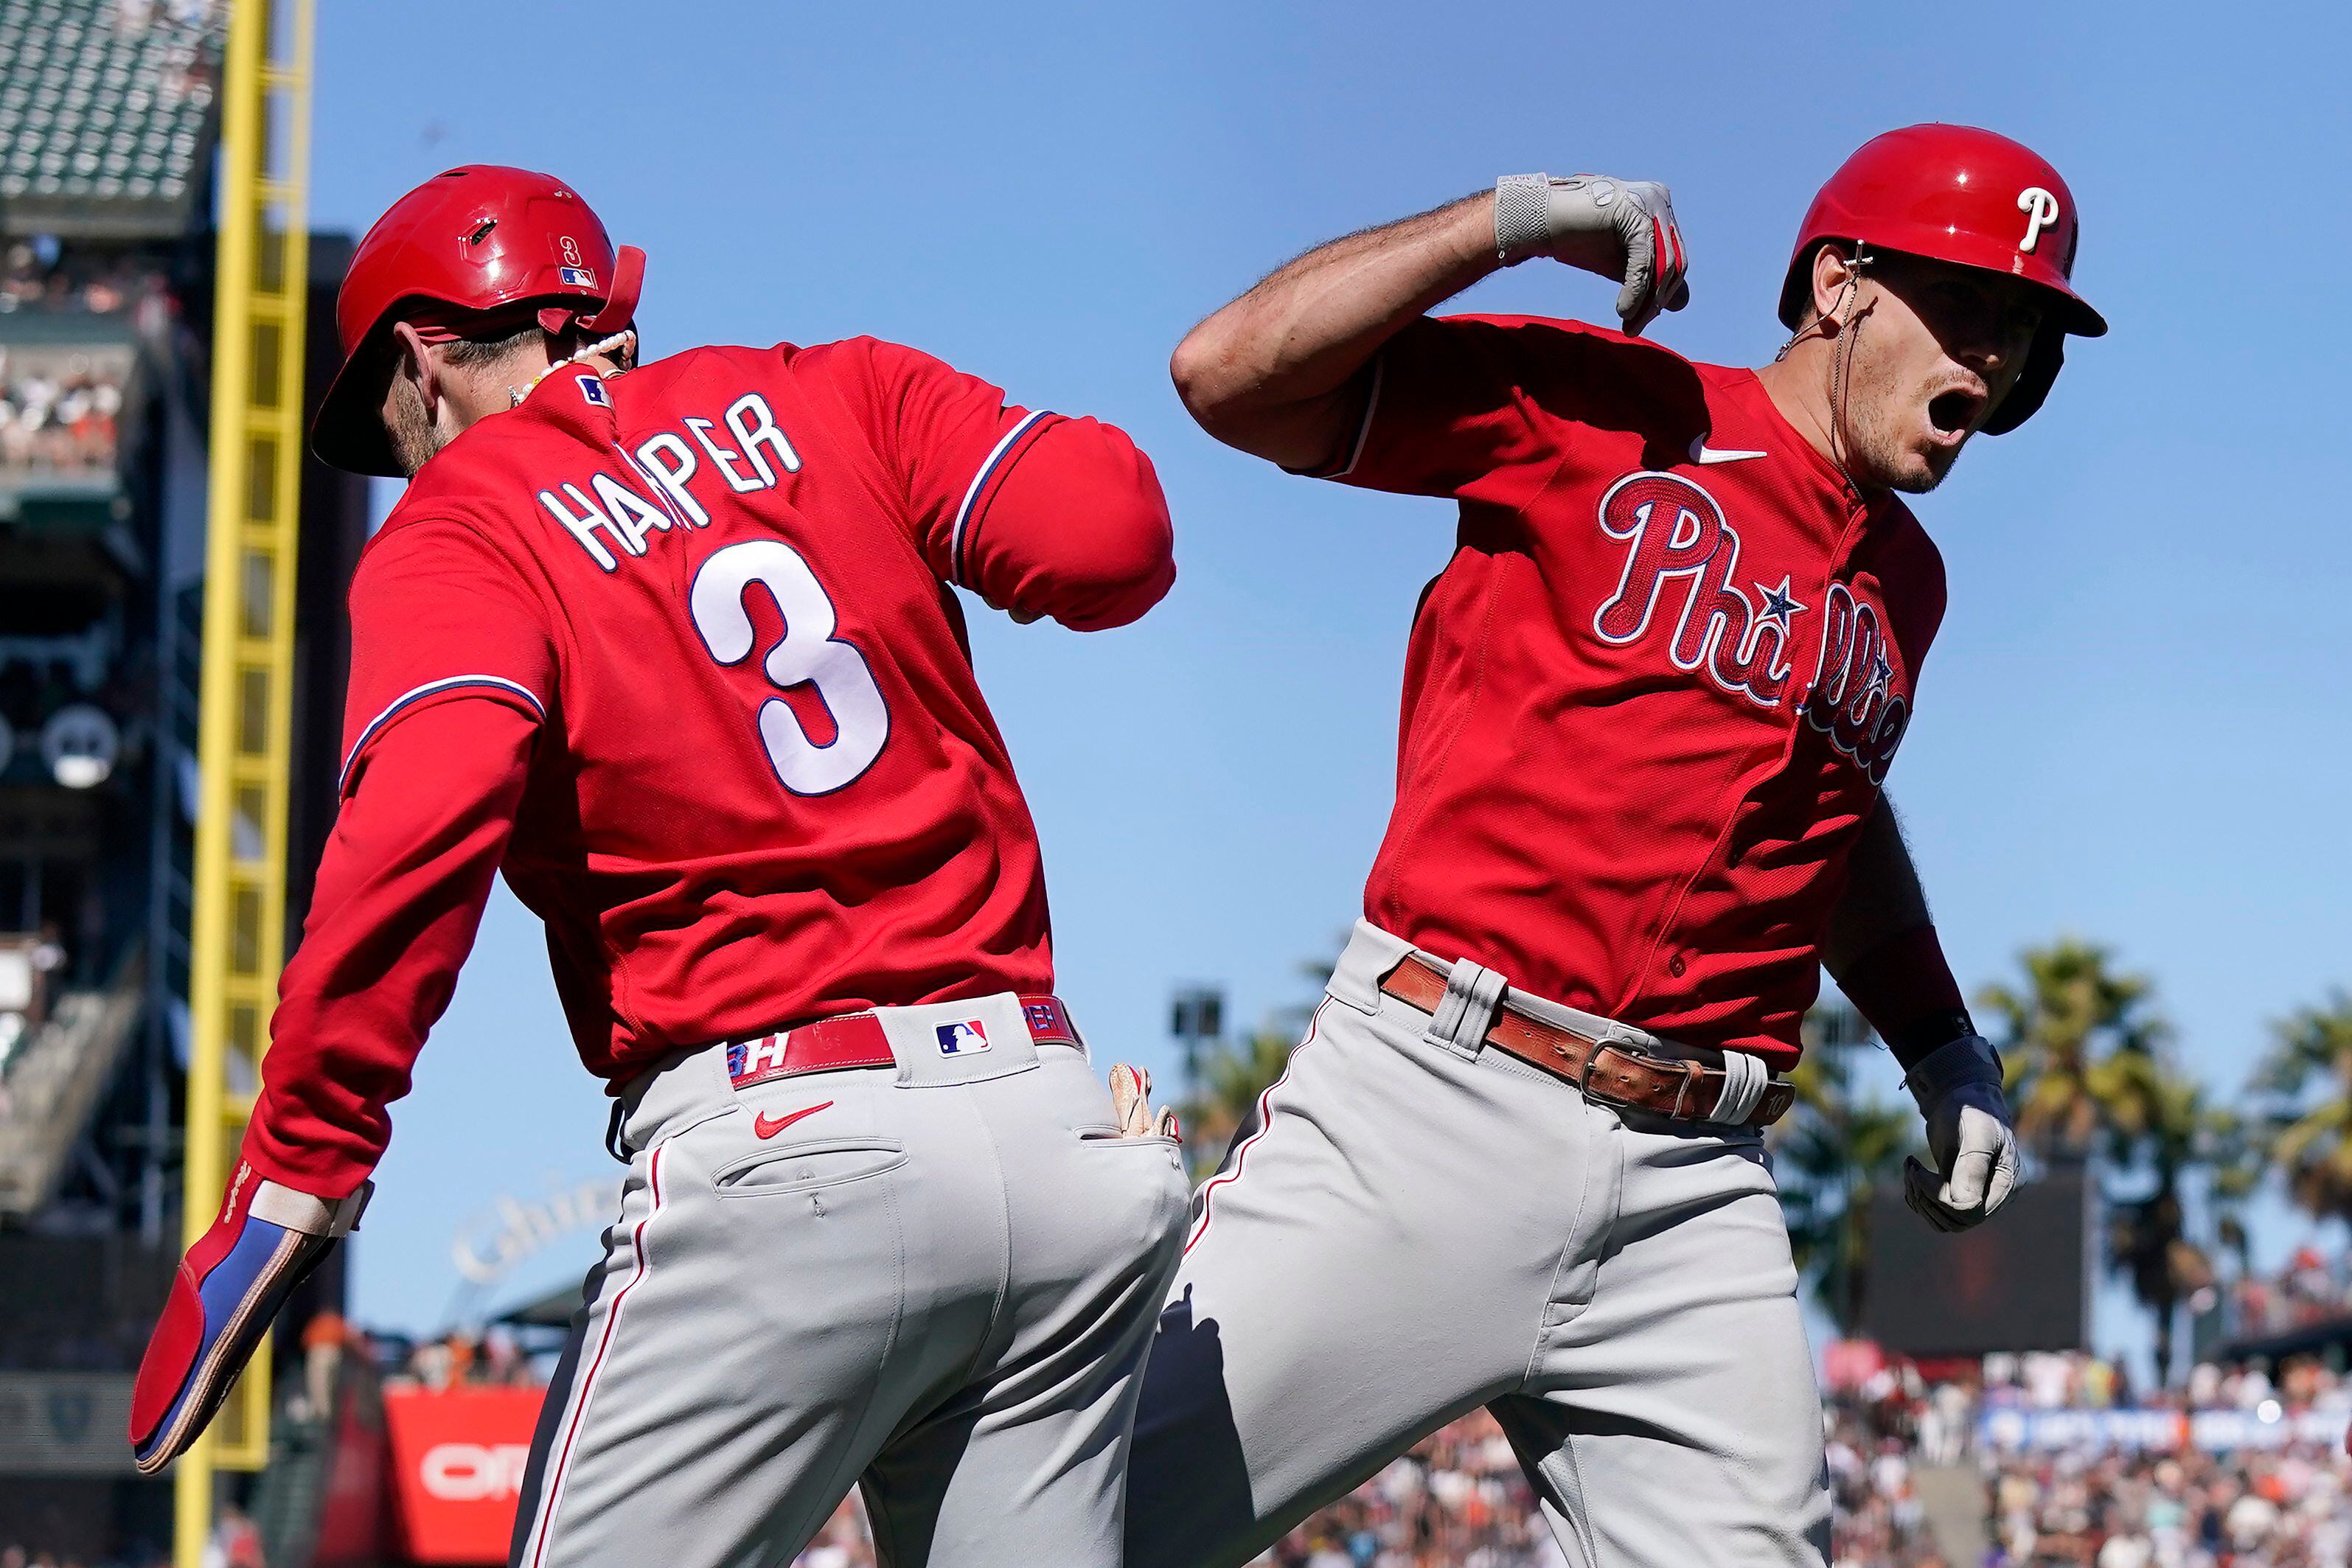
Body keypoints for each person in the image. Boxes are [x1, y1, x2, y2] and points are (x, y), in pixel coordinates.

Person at [129, 165, 1189, 1568]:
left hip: (783, 1152)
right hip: (1058, 1138)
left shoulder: (464, 521)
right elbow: (1110, 540)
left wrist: (301, 1165)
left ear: (425, 357)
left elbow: (416, 838)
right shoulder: (836, 389)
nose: (403, 467)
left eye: (392, 432)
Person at [1127, 125, 2104, 1568]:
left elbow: (1829, 813)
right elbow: (1225, 375)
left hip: (1696, 1181)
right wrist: (1500, 223)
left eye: (2023, 327)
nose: (2000, 353)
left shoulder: (1906, 579)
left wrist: (1941, 1045)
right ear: (1837, 282)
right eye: (1970, 305)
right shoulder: (1606, 406)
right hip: (1436, 1099)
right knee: (1070, 1526)